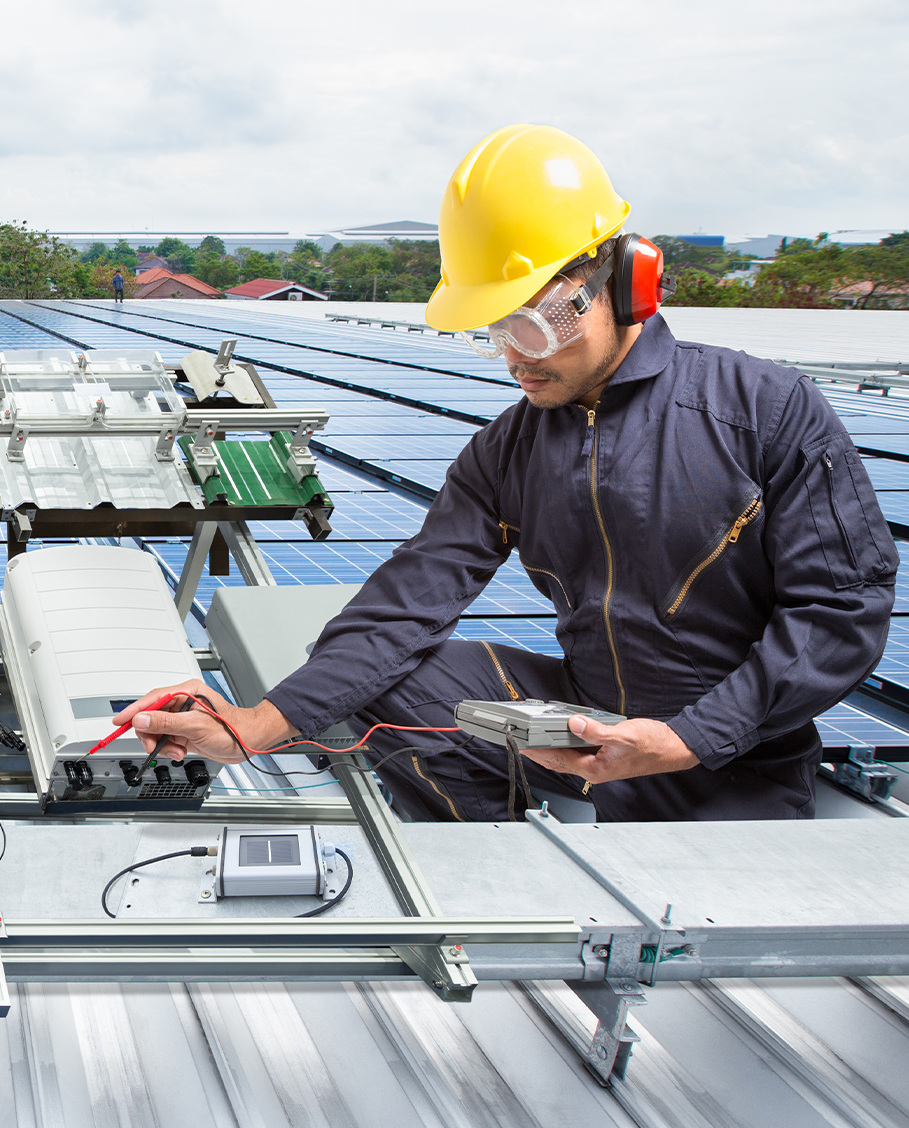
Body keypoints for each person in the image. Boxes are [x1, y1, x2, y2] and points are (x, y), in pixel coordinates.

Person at [116, 124, 897, 821]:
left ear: (626, 281)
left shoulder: (763, 408)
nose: (515, 354)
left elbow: (842, 609)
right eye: (496, 327)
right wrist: (258, 723)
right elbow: (403, 605)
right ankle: (505, 850)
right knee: (388, 678)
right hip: (588, 727)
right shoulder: (510, 448)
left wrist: (687, 737)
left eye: (533, 320)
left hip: (733, 759)